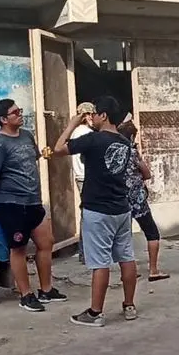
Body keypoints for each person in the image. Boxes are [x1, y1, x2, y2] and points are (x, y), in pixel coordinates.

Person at [51, 95, 138, 327]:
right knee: (127, 257)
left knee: (100, 262)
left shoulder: (93, 140)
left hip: (98, 210)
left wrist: (72, 124)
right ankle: (129, 305)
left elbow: (58, 149)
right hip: (121, 208)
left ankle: (95, 312)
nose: (92, 118)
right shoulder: (124, 142)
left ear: (104, 115)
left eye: (95, 114)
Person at [0, 99, 67, 313]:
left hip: (33, 201)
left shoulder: (27, 135)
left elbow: (33, 160)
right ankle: (25, 294)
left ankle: (46, 290)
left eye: (19, 110)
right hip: (11, 204)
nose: (20, 114)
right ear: (4, 119)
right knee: (18, 248)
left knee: (46, 242)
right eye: (15, 112)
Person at [118, 120, 170, 282]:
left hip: (120, 199)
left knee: (123, 237)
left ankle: (127, 271)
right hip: (137, 200)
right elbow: (147, 174)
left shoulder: (112, 152)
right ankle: (153, 270)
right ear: (131, 137)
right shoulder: (132, 152)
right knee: (152, 232)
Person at [71, 102, 96, 264]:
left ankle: (84, 253)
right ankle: (87, 253)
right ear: (86, 116)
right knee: (90, 216)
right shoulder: (86, 133)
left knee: (86, 214)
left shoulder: (75, 132)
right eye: (91, 114)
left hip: (80, 176)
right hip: (87, 177)